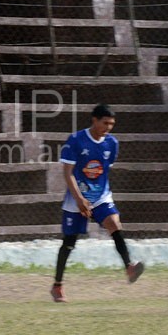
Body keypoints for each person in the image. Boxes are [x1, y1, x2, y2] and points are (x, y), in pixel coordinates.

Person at [51, 103, 144, 303]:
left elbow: (103, 170)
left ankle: (129, 266)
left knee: (114, 224)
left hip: (101, 196)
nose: (108, 127)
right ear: (94, 120)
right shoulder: (76, 140)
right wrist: (79, 199)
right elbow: (67, 173)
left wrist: (96, 197)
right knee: (69, 243)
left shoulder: (112, 143)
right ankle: (57, 286)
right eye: (105, 123)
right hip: (76, 197)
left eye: (111, 124)